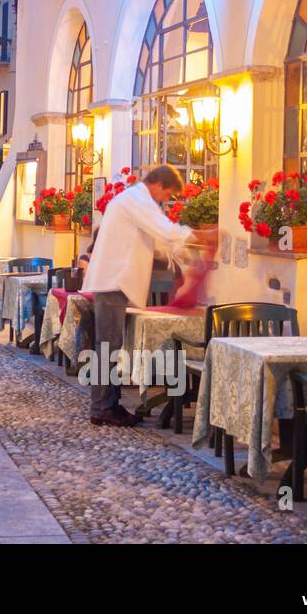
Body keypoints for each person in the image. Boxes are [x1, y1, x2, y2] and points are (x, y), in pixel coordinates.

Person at [80, 165, 195, 427]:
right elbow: (164, 230)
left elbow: (158, 243)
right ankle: (101, 407)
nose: (164, 201)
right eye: (167, 195)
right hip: (113, 282)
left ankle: (109, 404)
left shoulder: (134, 200)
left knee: (110, 347)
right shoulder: (136, 199)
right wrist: (198, 236)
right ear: (159, 185)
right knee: (107, 348)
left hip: (115, 282)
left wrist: (183, 259)